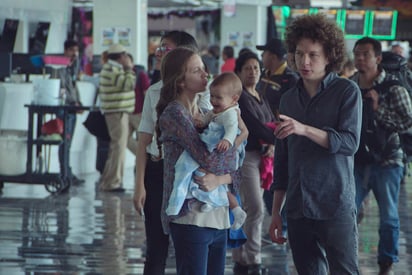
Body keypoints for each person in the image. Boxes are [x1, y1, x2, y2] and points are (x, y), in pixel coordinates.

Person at [268, 13, 362, 274]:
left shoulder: (346, 92)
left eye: (313, 55)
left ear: (329, 56)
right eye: (299, 54)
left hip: (334, 203)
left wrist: (304, 129)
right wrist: (276, 212)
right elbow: (282, 159)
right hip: (298, 207)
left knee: (344, 270)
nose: (304, 62)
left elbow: (349, 142)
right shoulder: (288, 99)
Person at [156, 47, 240, 275]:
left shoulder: (206, 110)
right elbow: (209, 158)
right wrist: (238, 138)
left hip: (217, 216)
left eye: (204, 68)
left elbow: (233, 162)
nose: (205, 74)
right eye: (196, 70)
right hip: (191, 218)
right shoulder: (176, 113)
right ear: (181, 81)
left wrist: (223, 177)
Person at [133, 30, 208, 275]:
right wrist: (139, 184)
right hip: (158, 170)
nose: (158, 52)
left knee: (190, 245)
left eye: (165, 48)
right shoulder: (154, 91)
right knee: (156, 245)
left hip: (191, 175)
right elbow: (144, 137)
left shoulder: (206, 91)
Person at [351, 36, 412, 274]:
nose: (360, 58)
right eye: (357, 53)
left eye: (365, 54)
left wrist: (379, 111)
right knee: (348, 211)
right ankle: (346, 255)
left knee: (388, 216)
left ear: (377, 58)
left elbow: (408, 121)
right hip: (358, 160)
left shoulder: (393, 88)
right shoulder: (349, 86)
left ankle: (386, 261)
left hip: (388, 160)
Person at [167, 72, 248, 231]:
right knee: (205, 177)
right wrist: (201, 122)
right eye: (212, 96)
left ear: (234, 99)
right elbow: (208, 118)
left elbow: (232, 129)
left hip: (223, 147)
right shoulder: (217, 110)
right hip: (217, 148)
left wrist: (228, 141)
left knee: (201, 173)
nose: (213, 101)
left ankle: (219, 204)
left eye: (218, 98)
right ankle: (211, 202)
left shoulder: (231, 113)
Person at [231, 51, 276, 275]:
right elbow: (258, 128)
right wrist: (279, 140)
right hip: (245, 158)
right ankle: (253, 259)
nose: (253, 72)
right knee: (256, 208)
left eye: (256, 68)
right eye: (247, 68)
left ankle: (241, 259)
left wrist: (273, 144)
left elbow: (271, 121)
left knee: (250, 209)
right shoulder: (240, 98)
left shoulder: (260, 95)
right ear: (238, 72)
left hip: (261, 157)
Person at [255, 37, 299, 215]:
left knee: (277, 183)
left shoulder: (290, 80)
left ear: (272, 56)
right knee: (265, 185)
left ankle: (283, 224)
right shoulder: (264, 76)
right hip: (260, 138)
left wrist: (275, 143)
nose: (262, 56)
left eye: (264, 53)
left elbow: (291, 114)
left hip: (278, 140)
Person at [98, 43, 135, 192]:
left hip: (118, 112)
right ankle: (113, 183)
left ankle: (109, 181)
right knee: (118, 148)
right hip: (116, 112)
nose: (127, 58)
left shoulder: (112, 68)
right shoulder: (112, 69)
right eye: (125, 55)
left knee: (117, 148)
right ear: (121, 57)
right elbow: (129, 84)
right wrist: (129, 68)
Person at [53, 39, 84, 184]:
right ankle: (64, 173)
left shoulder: (72, 67)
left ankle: (67, 172)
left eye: (76, 51)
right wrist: (73, 102)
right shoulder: (59, 67)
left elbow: (73, 86)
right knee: (64, 143)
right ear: (65, 51)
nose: (75, 53)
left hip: (72, 109)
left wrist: (79, 103)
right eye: (72, 50)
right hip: (64, 110)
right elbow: (61, 88)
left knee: (68, 143)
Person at [127, 53, 151, 155]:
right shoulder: (122, 76)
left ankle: (144, 159)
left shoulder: (140, 75)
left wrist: (146, 112)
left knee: (143, 141)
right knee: (124, 139)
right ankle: (142, 156)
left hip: (139, 114)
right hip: (127, 113)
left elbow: (147, 94)